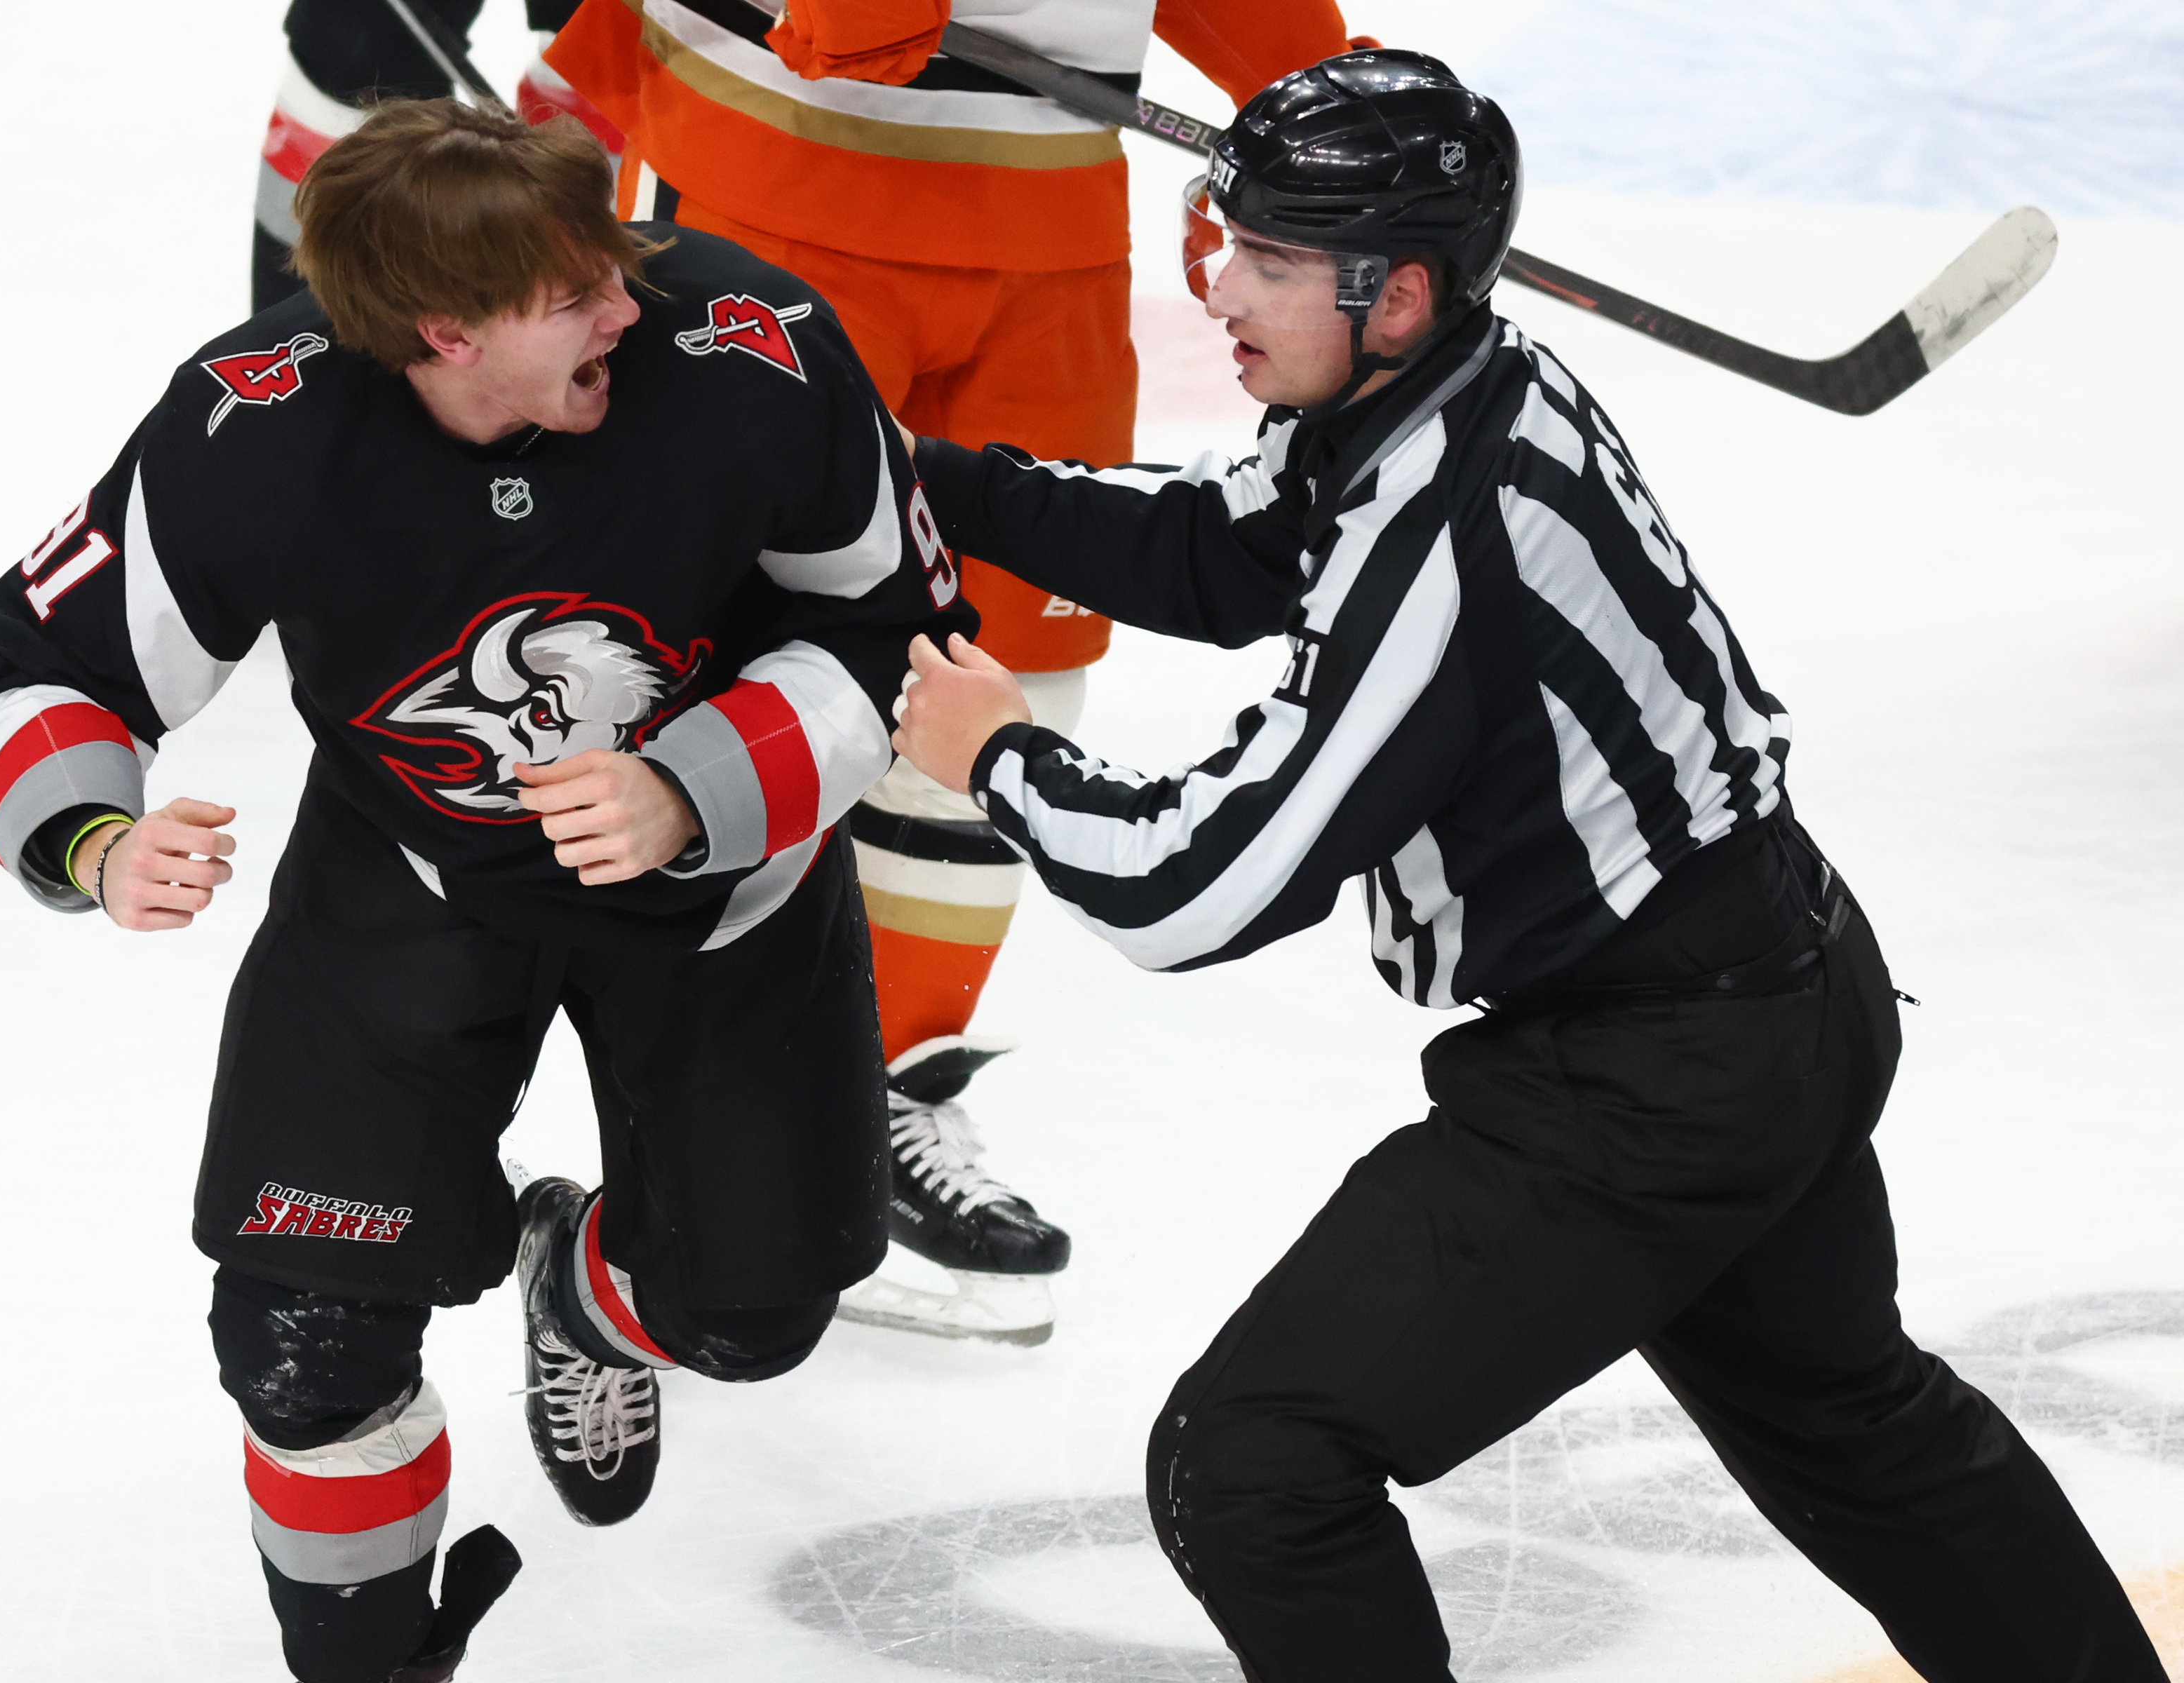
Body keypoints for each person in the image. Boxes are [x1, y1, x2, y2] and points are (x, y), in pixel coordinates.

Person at [888, 49, 2167, 1683]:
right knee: (1857, 1425)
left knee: (1255, 1466)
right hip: (1770, 986)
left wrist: (997, 754)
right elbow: (1209, 548)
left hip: (1657, 1075)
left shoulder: (1448, 523)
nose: (1216, 285)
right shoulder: (1452, 391)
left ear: (1400, 295)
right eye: (1229, 239)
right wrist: (923, 475)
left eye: (1272, 261)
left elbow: (1195, 886)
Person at [0, 97, 969, 1683]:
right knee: (302, 1348)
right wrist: (89, 840)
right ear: (443, 331)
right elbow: (30, 669)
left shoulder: (758, 349)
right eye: (577, 297)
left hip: (727, 890)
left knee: (746, 1319)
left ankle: (593, 1287)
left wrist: (693, 781)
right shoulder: (252, 419)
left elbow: (900, 632)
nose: (633, 303)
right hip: (412, 888)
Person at [245, 0, 1365, 1341]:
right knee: (720, 658)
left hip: (1043, 248)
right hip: (773, 220)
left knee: (1007, 666)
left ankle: (877, 1094)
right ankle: (684, 1133)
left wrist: (1352, 161)